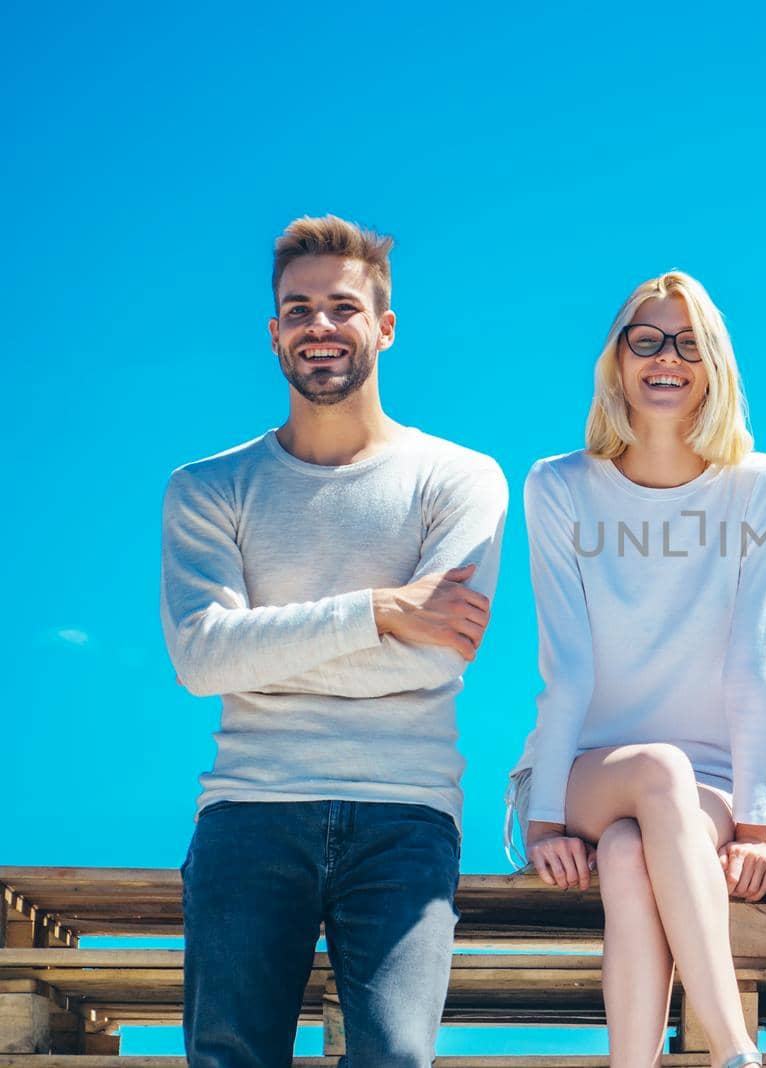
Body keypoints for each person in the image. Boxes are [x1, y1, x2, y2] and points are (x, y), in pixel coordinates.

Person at [160, 215, 508, 1067]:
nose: (320, 325)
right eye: (299, 308)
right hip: (249, 810)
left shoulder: (458, 478)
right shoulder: (209, 489)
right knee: (230, 1056)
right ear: (275, 331)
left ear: (383, 327)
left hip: (406, 814)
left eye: (342, 307)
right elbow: (203, 658)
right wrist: (382, 609)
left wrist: (270, 655)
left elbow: (436, 654)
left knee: (395, 1056)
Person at [505, 271, 766, 1068]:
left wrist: (758, 825)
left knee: (632, 855)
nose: (668, 359)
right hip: (579, 779)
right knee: (653, 774)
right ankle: (737, 1052)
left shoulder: (758, 485)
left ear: (715, 367)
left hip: (707, 794)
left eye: (689, 344)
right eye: (647, 340)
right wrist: (546, 817)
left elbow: (753, 666)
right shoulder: (558, 486)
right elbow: (568, 667)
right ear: (618, 362)